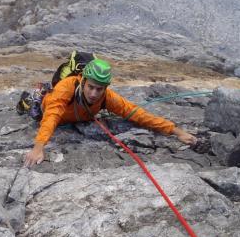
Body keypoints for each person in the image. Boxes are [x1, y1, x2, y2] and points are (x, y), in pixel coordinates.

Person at [24, 59, 197, 167]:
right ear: (82, 81)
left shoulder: (107, 98)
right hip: (46, 109)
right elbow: (51, 117)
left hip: (75, 117)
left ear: (105, 88)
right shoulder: (65, 88)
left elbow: (137, 114)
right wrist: (38, 148)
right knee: (34, 110)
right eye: (90, 87)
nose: (93, 94)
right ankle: (34, 97)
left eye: (99, 89)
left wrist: (176, 131)